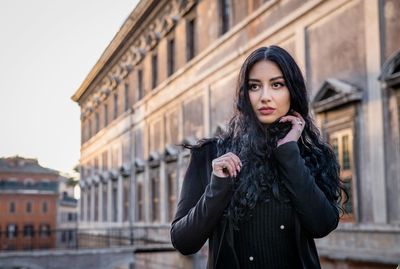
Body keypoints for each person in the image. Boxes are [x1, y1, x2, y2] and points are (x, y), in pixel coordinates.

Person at [170, 46, 344, 269]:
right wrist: (218, 185)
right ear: (245, 94)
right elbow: (184, 242)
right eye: (254, 86)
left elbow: (322, 225)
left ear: (292, 90)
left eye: (276, 84)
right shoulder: (210, 155)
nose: (265, 97)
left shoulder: (312, 156)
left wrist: (289, 153)